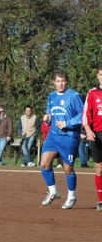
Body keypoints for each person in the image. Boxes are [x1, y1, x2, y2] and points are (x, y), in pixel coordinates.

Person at [39, 70, 84, 209]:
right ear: (54, 82)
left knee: (68, 169)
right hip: (53, 135)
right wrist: (47, 117)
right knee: (44, 164)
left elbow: (82, 115)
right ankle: (53, 192)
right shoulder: (51, 96)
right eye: (57, 81)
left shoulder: (74, 96)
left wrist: (67, 124)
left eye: (63, 81)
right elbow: (50, 111)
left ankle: (71, 196)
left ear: (67, 82)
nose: (60, 84)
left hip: (69, 137)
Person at [82, 65, 102, 210]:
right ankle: (101, 200)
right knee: (99, 168)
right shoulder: (92, 93)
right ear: (97, 75)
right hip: (97, 134)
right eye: (101, 74)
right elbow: (86, 114)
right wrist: (88, 129)